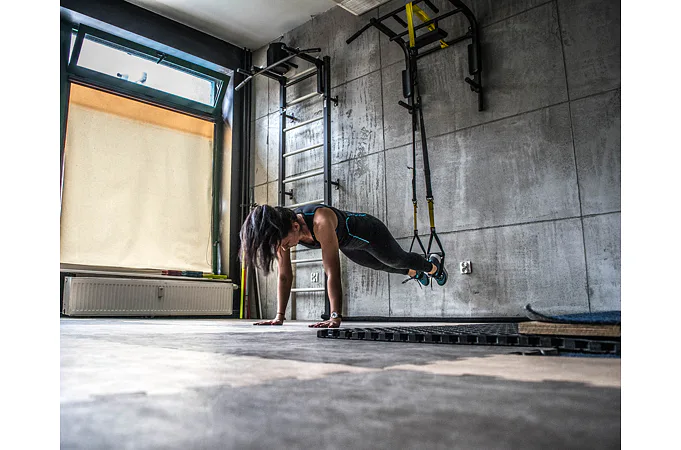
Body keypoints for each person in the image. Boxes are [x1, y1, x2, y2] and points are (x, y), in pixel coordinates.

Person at [239, 203, 447, 328]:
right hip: (348, 244)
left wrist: (335, 316)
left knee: (395, 259)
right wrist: (279, 317)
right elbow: (284, 276)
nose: (284, 248)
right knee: (380, 266)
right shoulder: (282, 233)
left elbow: (332, 273)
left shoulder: (320, 221)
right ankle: (415, 273)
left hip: (369, 232)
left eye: (285, 244)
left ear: (295, 226)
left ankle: (433, 266)